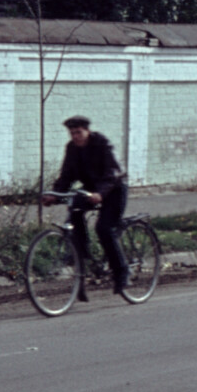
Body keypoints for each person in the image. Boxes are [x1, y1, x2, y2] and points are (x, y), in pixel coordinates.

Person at [46, 116, 129, 298]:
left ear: (87, 130)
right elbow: (66, 175)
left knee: (104, 229)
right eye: (72, 133)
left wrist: (100, 193)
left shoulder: (101, 143)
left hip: (113, 189)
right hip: (91, 191)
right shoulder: (72, 148)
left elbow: (112, 172)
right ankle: (81, 253)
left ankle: (122, 272)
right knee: (74, 210)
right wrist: (54, 193)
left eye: (79, 132)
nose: (76, 136)